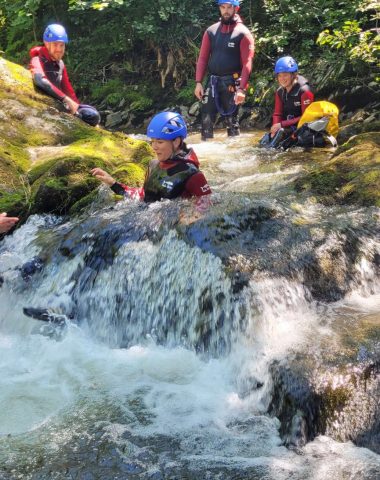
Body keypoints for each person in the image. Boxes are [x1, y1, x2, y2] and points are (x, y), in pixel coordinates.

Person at [91, 112, 211, 202]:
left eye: (159, 142)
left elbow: (206, 205)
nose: (154, 147)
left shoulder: (192, 174)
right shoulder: (153, 165)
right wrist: (113, 184)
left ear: (176, 142)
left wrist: (193, 216)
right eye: (152, 141)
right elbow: (143, 196)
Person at [194, 0, 255, 140]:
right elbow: (203, 58)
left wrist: (242, 89)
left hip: (231, 82)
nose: (226, 10)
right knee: (206, 117)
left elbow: (247, 63)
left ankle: (234, 153)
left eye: (229, 7)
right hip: (212, 80)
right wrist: (198, 82)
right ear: (219, 8)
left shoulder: (243, 33)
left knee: (231, 121)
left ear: (236, 8)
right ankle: (207, 152)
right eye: (223, 7)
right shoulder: (211, 31)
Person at [29, 24, 100, 127]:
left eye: (61, 45)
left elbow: (68, 90)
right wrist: (65, 99)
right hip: (51, 103)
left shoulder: (60, 64)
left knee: (93, 114)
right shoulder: (37, 60)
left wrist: (75, 105)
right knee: (92, 116)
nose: (59, 49)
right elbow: (40, 80)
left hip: (61, 103)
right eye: (55, 44)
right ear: (46, 44)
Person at [260, 56, 314, 148]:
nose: (282, 78)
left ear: (293, 75)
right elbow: (277, 114)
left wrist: (282, 124)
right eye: (279, 75)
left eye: (285, 75)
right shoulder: (280, 92)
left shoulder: (305, 91)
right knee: (265, 140)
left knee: (279, 137)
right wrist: (274, 128)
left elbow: (307, 118)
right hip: (289, 126)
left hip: (303, 127)